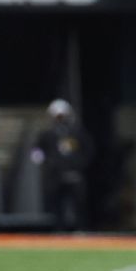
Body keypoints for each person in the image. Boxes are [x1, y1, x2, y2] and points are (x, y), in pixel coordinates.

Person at [31, 99, 91, 232]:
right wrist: (44, 161)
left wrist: (79, 165)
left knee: (78, 203)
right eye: (58, 117)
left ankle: (79, 229)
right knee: (57, 204)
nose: (60, 119)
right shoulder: (47, 135)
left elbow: (88, 150)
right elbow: (37, 151)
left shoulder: (77, 133)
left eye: (62, 116)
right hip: (55, 176)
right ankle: (59, 229)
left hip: (74, 174)